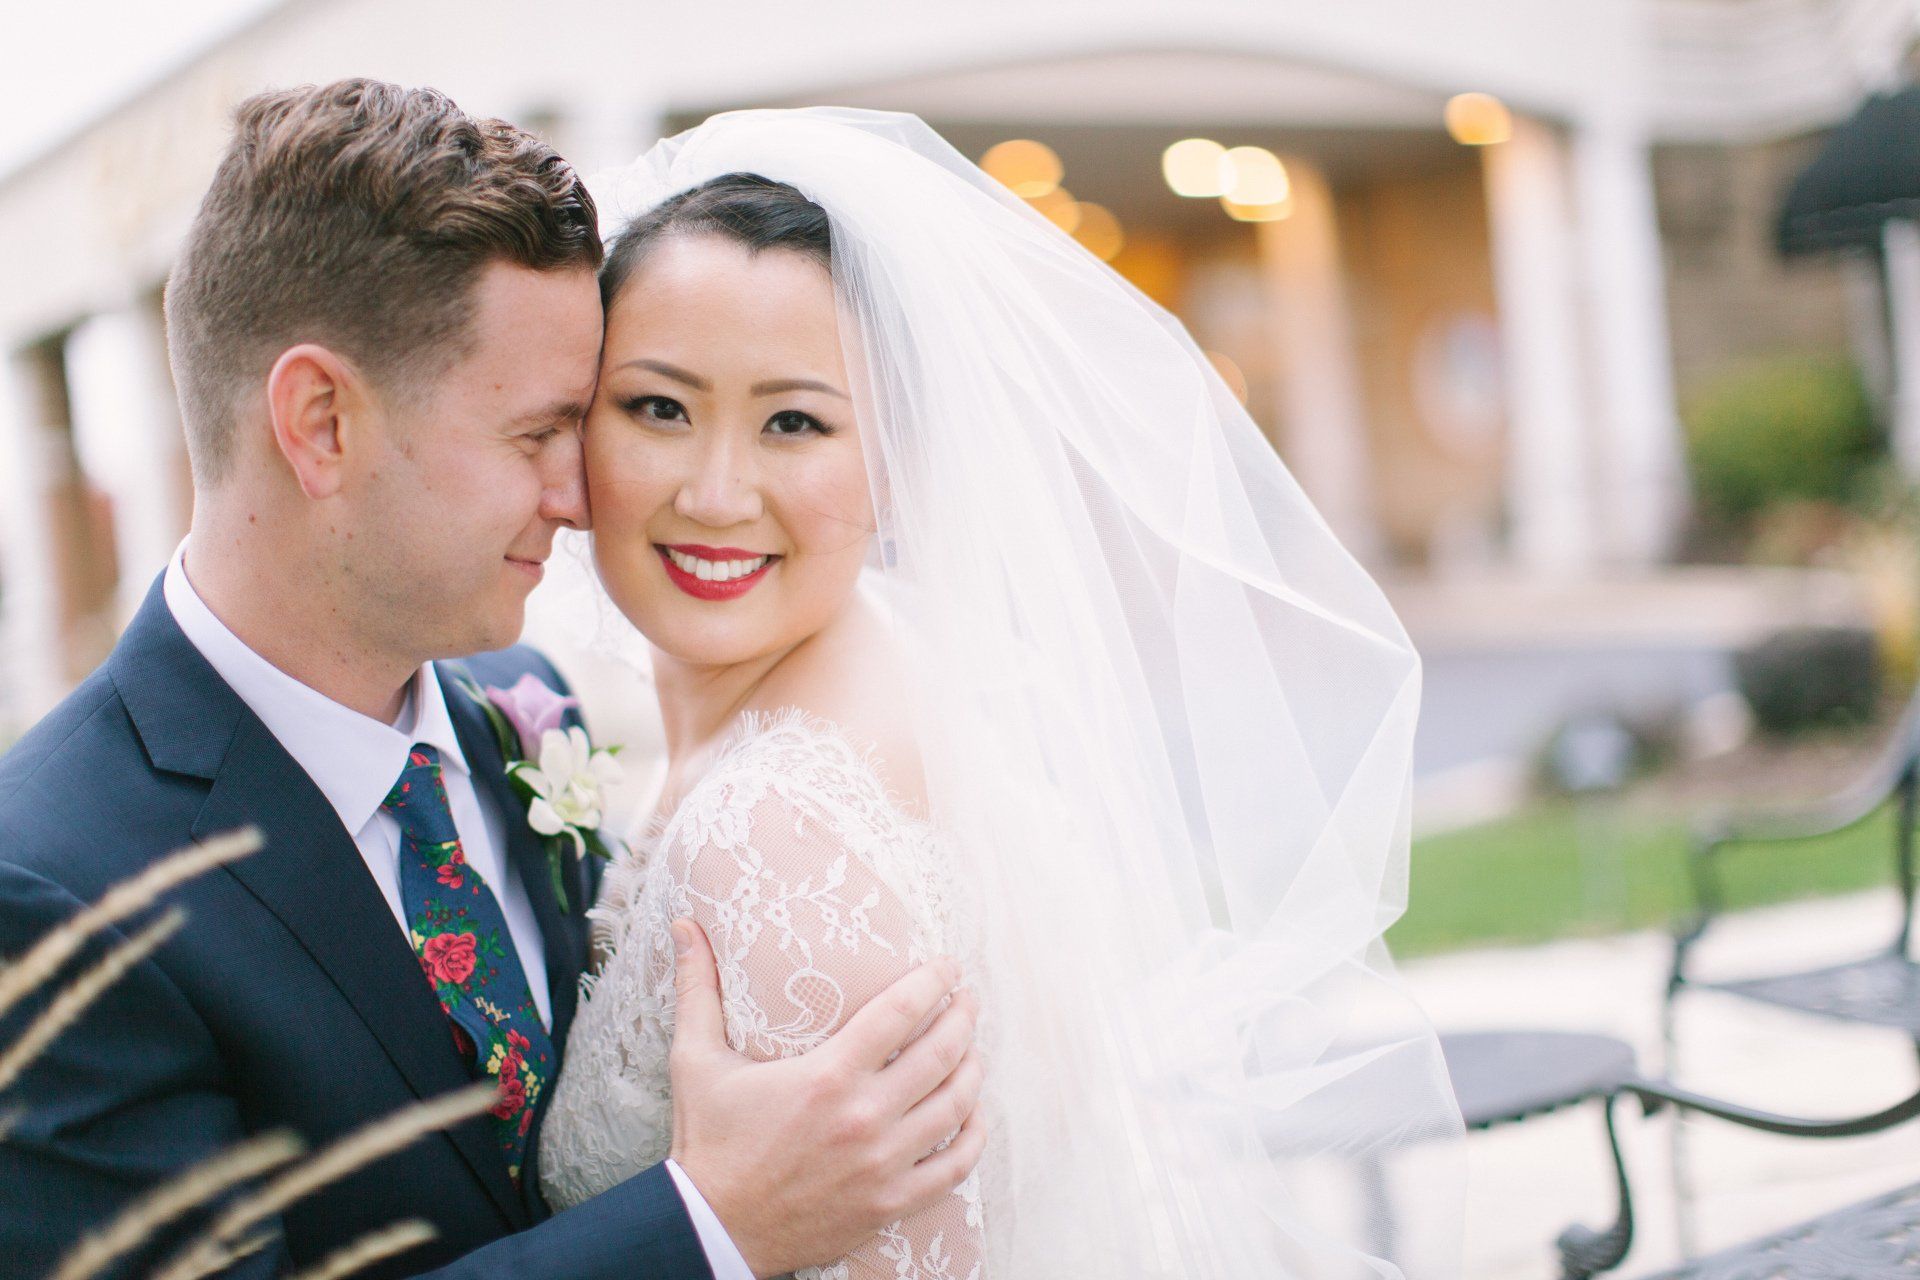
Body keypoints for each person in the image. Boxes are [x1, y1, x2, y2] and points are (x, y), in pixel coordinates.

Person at [0, 81, 981, 1280]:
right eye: (535, 434)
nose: (579, 498)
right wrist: (710, 1224)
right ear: (319, 422)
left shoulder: (523, 709)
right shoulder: (50, 883)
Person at [537, 110, 1464, 1279]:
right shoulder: (890, 659)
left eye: (794, 422)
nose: (717, 493)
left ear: (892, 460)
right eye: (659, 406)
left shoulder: (778, 831)